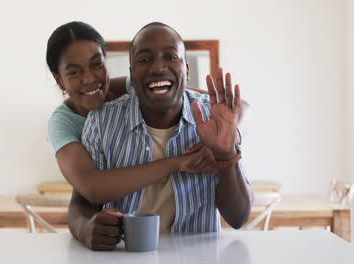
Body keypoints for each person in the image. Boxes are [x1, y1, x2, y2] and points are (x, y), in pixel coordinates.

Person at [68, 22, 253, 251]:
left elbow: (238, 218)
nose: (157, 68)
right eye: (144, 60)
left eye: (171, 56)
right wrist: (84, 228)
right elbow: (80, 203)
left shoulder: (212, 118)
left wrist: (226, 152)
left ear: (187, 69)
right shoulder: (101, 123)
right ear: (131, 76)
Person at [47, 22, 224, 207]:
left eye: (97, 64)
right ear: (59, 79)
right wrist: (176, 163)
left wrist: (225, 141)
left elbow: (226, 107)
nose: (90, 78)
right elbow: (91, 187)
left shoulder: (137, 86)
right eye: (74, 72)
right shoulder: (63, 123)